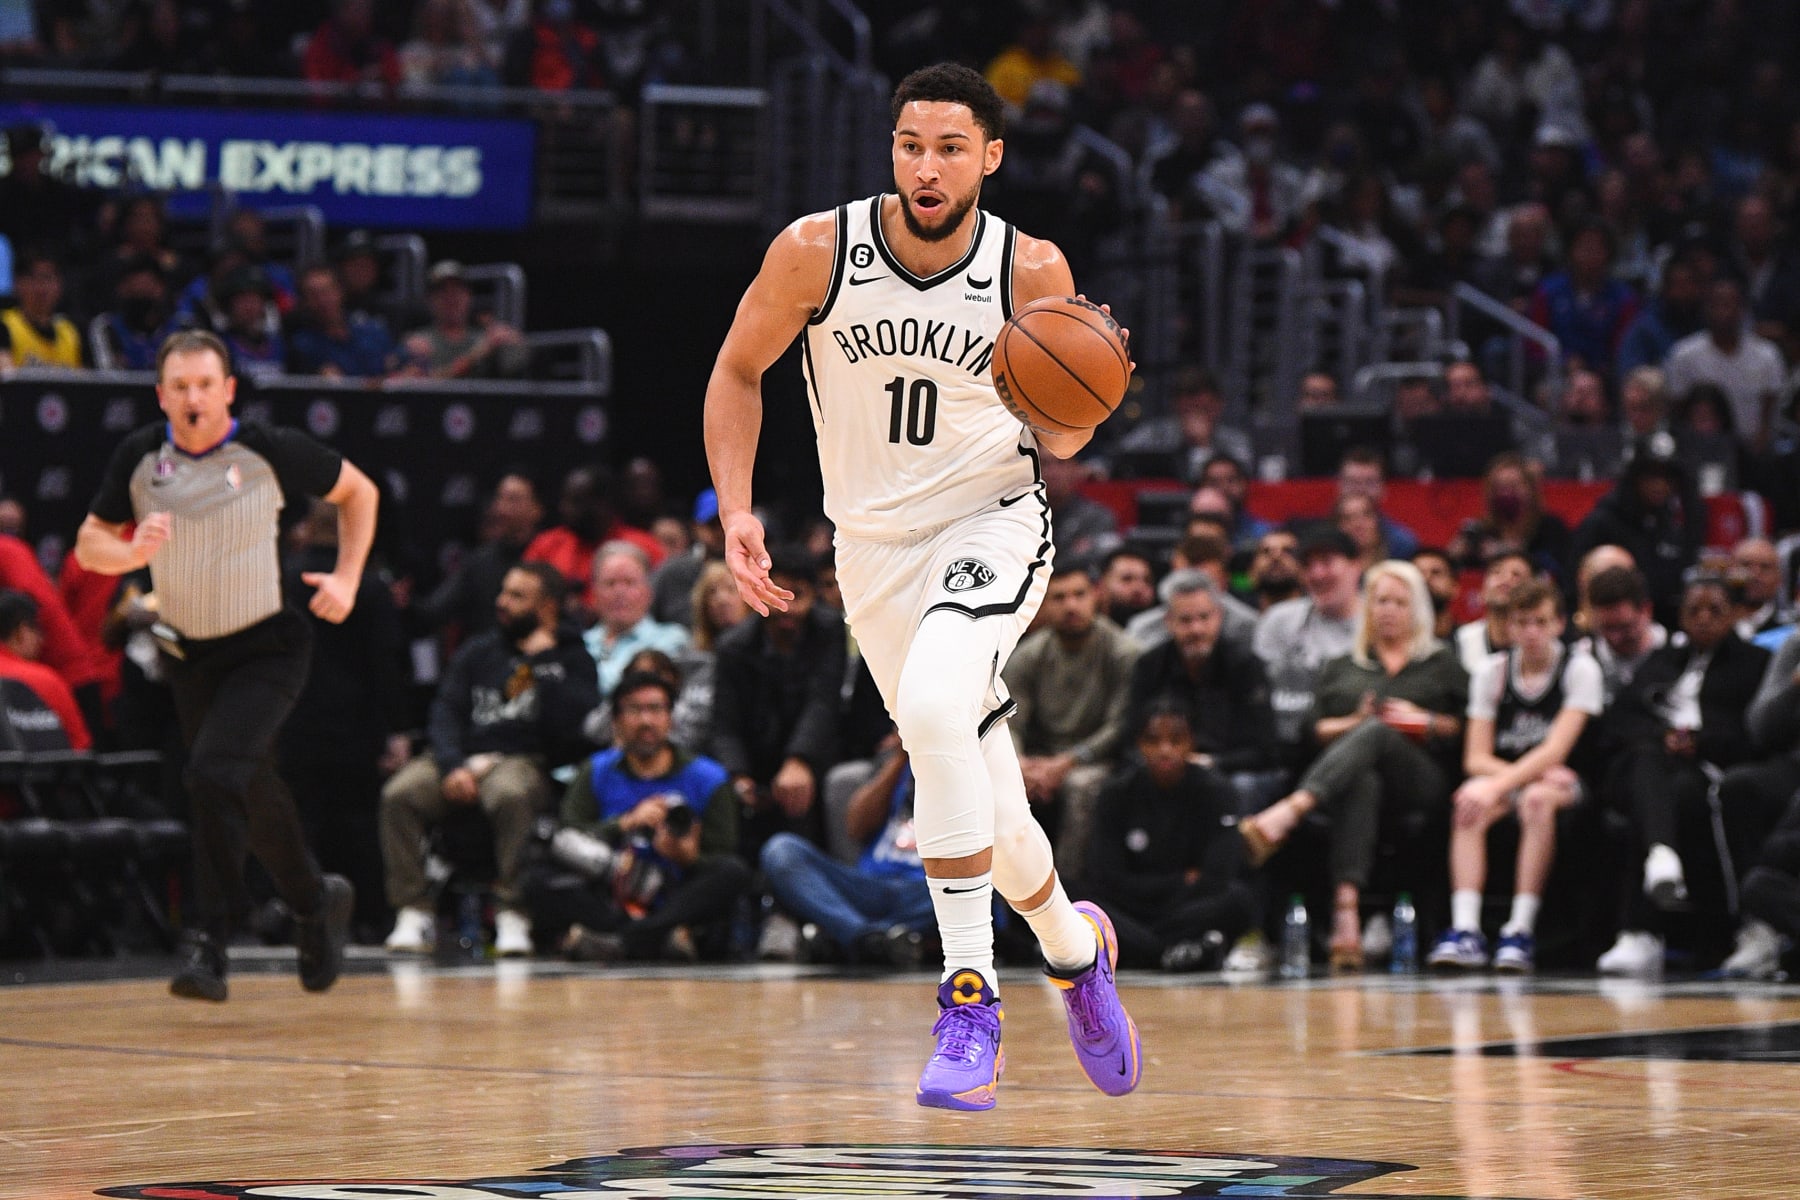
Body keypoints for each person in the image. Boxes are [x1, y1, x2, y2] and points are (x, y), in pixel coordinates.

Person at [702, 63, 1140, 1112]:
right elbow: (735, 371)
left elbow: (1068, 433)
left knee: (939, 709)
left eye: (950, 147)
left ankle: (968, 1001)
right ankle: (1079, 955)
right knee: (982, 783)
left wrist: (1082, 394)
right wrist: (738, 511)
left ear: (989, 157)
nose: (926, 166)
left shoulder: (1030, 269)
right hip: (874, 552)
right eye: (910, 145)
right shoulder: (818, 250)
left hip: (992, 521)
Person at [74, 330, 379, 1002]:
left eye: (205, 385)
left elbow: (360, 493)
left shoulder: (266, 449)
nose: (193, 398)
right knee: (246, 785)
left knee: (212, 772)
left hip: (266, 646)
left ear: (228, 390)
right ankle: (313, 901)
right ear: (161, 396)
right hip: (191, 655)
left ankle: (212, 941)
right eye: (179, 387)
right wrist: (129, 554)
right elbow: (90, 542)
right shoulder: (140, 459)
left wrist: (348, 580)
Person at [1238, 561, 1468, 970]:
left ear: (1416, 608)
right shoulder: (1343, 665)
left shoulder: (1441, 660)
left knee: (1379, 731)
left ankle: (1292, 810)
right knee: (1363, 778)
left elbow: (1465, 725)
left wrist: (1423, 719)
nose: (1388, 610)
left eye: (1400, 601)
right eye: (1380, 600)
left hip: (1421, 778)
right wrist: (1353, 723)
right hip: (1351, 781)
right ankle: (1348, 916)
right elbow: (1313, 729)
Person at [380, 561, 599, 957]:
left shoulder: (573, 656)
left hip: (522, 759)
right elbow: (445, 712)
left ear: (547, 607)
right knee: (401, 793)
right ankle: (414, 909)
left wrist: (545, 664)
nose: (502, 602)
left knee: (510, 795)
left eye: (517, 596)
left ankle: (513, 911)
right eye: (504, 592)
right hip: (463, 757)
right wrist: (452, 765)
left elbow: (573, 730)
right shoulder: (478, 651)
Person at [1595, 575, 1770, 975]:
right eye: (1694, 610)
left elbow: (1756, 732)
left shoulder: (1753, 663)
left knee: (1669, 795)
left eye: (1715, 610)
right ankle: (1660, 863)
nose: (1704, 618)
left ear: (1734, 616)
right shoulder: (1663, 660)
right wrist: (1662, 736)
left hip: (1707, 767)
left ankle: (1641, 929)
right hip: (1647, 762)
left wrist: (1701, 741)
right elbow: (1619, 719)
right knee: (1646, 762)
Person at [1427, 581, 1603, 973]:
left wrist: (1504, 784)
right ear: (1508, 628)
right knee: (1469, 797)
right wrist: (1506, 783)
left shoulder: (1579, 668)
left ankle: (1519, 929)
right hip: (1514, 777)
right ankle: (1466, 927)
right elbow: (1475, 757)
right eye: (1522, 623)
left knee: (1536, 800)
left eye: (1541, 622)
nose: (1532, 633)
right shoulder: (1492, 672)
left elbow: (1555, 751)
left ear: (1559, 624)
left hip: (1566, 783)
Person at [531, 671, 749, 963]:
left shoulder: (708, 777)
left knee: (732, 873)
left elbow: (723, 850)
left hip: (677, 891)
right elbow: (569, 832)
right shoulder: (596, 770)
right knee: (536, 879)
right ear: (617, 721)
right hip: (613, 885)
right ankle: (655, 938)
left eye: (655, 709)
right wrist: (625, 823)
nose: (646, 721)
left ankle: (624, 940)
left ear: (670, 719)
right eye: (634, 710)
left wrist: (687, 856)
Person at [1074, 701, 1255, 972]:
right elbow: (1106, 876)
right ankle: (1173, 951)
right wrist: (1181, 880)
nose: (1165, 750)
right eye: (1153, 740)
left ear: (1191, 743)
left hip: (1185, 908)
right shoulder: (1117, 792)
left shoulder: (1218, 791)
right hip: (1129, 907)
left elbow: (1217, 877)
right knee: (1074, 898)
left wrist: (1168, 888)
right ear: (1139, 745)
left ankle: (1141, 951)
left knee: (1239, 900)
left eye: (1176, 740)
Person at [1004, 565, 1140, 878]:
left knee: (1080, 788)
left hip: (1099, 759)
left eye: (1079, 595)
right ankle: (1007, 891)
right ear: (1043, 604)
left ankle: (1068, 890)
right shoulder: (1028, 655)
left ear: (1096, 597)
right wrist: (1019, 764)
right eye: (1059, 598)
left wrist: (1067, 763)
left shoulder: (1123, 652)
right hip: (1039, 757)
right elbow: (1009, 722)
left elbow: (1119, 727)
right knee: (999, 778)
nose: (1071, 606)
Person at [760, 745, 938, 966]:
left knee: (978, 888)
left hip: (926, 890)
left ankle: (847, 934)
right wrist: (901, 758)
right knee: (782, 849)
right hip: (866, 886)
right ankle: (869, 938)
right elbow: (854, 828)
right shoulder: (895, 762)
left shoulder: (975, 765)